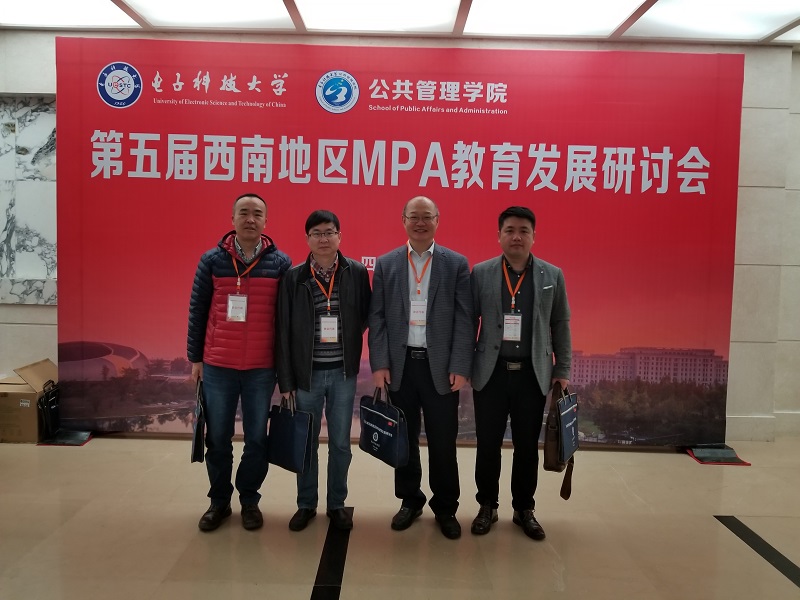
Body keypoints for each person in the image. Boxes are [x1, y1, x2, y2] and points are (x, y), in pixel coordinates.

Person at [367, 195, 473, 540]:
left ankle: (446, 507)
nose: (420, 223)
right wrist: (380, 364)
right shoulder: (387, 264)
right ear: (403, 220)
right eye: (414, 216)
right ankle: (409, 500)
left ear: (437, 220)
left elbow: (465, 318)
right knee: (404, 439)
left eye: (427, 216)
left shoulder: (455, 264)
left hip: (440, 367)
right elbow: (377, 318)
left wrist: (460, 364)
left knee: (443, 441)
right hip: (401, 367)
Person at [187, 192, 291, 532]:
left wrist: (285, 368)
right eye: (243, 212)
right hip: (218, 365)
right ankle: (219, 501)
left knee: (257, 439)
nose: (250, 219)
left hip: (261, 367)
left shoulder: (281, 264)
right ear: (232, 219)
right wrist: (195, 358)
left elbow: (286, 320)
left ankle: (249, 499)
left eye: (257, 213)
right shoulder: (211, 261)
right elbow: (198, 311)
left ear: (266, 221)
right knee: (218, 438)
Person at [469, 205, 572, 541]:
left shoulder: (552, 275)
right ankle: (487, 505)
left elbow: (561, 324)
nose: (516, 236)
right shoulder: (481, 272)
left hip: (532, 375)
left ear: (533, 236)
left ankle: (524, 509)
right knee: (488, 445)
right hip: (491, 374)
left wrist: (563, 368)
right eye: (510, 230)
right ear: (499, 235)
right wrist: (462, 366)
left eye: (523, 231)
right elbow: (468, 322)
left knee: (527, 447)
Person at [276, 210, 371, 532]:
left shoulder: (356, 272)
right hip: (307, 376)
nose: (324, 238)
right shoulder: (294, 278)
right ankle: (306, 504)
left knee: (341, 443)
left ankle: (337, 503)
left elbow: (365, 315)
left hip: (343, 374)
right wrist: (286, 380)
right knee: (306, 442)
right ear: (307, 239)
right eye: (317, 233)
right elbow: (283, 331)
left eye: (329, 232)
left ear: (339, 236)